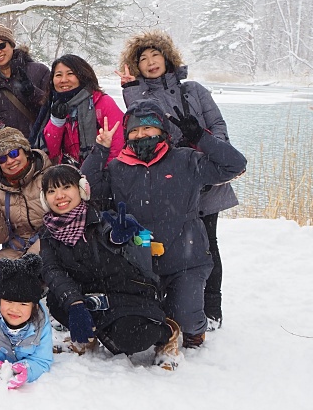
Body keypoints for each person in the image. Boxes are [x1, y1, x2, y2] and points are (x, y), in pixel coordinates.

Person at [82, 100, 246, 348]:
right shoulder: (118, 168)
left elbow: (235, 164)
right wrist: (101, 150)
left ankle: (196, 326)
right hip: (138, 263)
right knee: (140, 324)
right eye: (134, 131)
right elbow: (86, 189)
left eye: (147, 128)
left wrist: (201, 137)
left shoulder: (186, 160)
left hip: (185, 260)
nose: (140, 134)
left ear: (162, 131)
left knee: (186, 321)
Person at [117, 30, 237, 330]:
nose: (150, 62)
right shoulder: (137, 94)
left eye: (155, 55)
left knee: (206, 243)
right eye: (142, 59)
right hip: (168, 179)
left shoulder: (193, 90)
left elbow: (217, 124)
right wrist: (131, 91)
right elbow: (137, 128)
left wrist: (207, 151)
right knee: (168, 242)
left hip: (202, 172)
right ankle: (173, 302)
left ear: (167, 57)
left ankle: (211, 309)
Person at [38, 165, 183, 369]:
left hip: (125, 292)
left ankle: (166, 333)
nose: (59, 196)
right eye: (51, 191)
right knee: (57, 299)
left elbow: (111, 237)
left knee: (126, 341)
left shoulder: (102, 218)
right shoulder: (47, 232)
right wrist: (74, 304)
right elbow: (52, 270)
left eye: (66, 187)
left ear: (81, 190)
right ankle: (93, 332)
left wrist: (116, 240)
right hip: (89, 296)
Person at [0, 127, 49, 298]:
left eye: (13, 153)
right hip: (17, 248)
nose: (10, 161)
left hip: (48, 242)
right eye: (2, 158)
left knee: (24, 277)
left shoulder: (49, 176)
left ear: (26, 151)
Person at [0, 254, 53, 389]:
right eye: (8, 301)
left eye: (23, 304)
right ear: (0, 301)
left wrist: (26, 369)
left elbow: (42, 360)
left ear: (34, 306)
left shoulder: (40, 325)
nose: (14, 309)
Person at [32, 54, 125, 165]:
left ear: (82, 76)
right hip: (70, 176)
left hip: (100, 174)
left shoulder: (102, 103)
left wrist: (100, 175)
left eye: (70, 74)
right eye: (58, 75)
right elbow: (50, 152)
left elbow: (118, 146)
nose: (63, 80)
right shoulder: (54, 107)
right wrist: (57, 122)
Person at [0, 24, 50, 137]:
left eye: (1, 45)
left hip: (39, 146)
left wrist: (33, 93)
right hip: (8, 151)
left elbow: (54, 109)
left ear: (11, 44)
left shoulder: (39, 71)